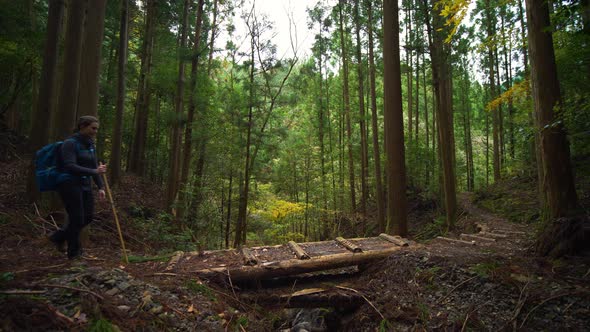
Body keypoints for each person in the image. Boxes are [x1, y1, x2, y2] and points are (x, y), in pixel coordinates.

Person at [49, 116, 107, 259]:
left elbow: (95, 167)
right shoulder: (69, 143)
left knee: (88, 218)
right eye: (93, 128)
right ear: (82, 126)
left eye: (97, 129)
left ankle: (58, 237)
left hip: (85, 185)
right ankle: (74, 253)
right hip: (69, 184)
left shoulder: (91, 145)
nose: (95, 131)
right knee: (77, 219)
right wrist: (94, 171)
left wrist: (101, 187)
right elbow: (70, 166)